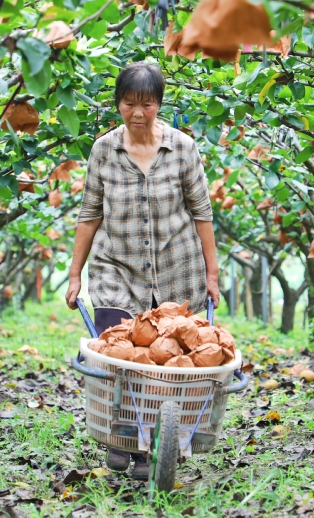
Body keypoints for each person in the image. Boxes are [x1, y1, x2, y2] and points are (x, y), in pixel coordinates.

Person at [65, 62, 219, 479]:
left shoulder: (183, 148)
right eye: (129, 103)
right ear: (118, 104)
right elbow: (90, 213)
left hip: (176, 267)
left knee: (163, 361)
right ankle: (120, 436)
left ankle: (152, 445)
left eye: (147, 104)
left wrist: (212, 274)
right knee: (116, 351)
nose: (137, 113)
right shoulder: (103, 150)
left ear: (159, 105)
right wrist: (76, 274)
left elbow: (202, 213)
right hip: (116, 265)